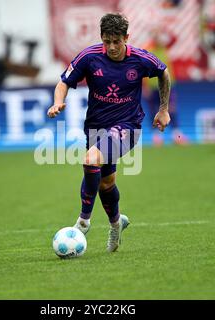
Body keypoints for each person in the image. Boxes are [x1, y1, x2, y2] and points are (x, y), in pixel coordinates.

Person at [47, 13, 171, 252]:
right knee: (106, 183)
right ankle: (116, 224)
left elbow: (163, 73)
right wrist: (57, 102)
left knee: (90, 159)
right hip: (95, 127)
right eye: (107, 41)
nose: (112, 47)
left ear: (126, 37)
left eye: (117, 41)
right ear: (101, 38)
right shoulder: (90, 57)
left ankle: (83, 221)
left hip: (128, 125)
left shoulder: (141, 59)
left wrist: (163, 109)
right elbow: (64, 82)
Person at [143, 29, 188, 146]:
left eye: (160, 36)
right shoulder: (147, 50)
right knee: (154, 112)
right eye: (156, 36)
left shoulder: (164, 47)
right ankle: (157, 137)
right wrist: (144, 87)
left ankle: (176, 135)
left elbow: (174, 39)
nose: (159, 38)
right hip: (153, 86)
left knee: (171, 109)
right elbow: (142, 70)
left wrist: (164, 28)